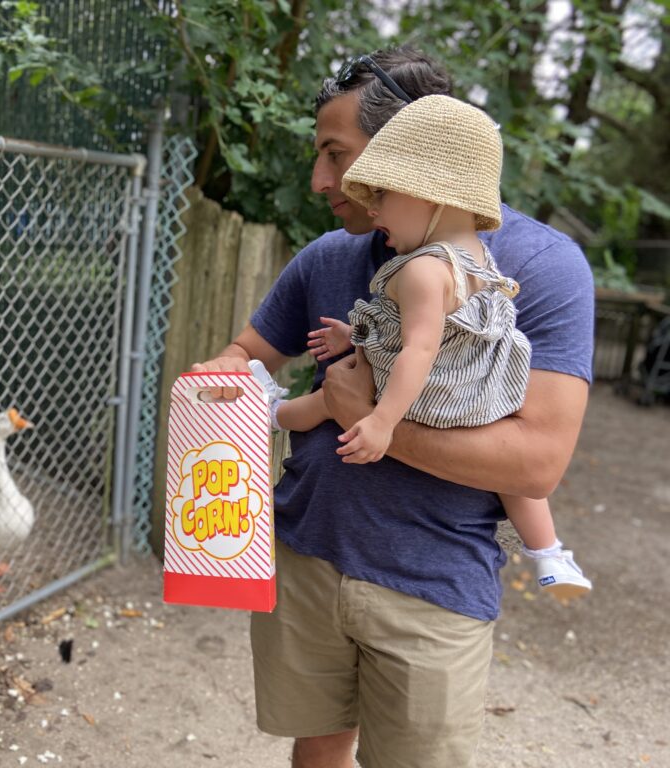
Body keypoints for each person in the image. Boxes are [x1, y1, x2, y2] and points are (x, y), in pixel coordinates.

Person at [191, 47, 594, 768]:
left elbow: (538, 463)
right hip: (306, 562)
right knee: (314, 748)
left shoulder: (544, 268)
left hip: (431, 590)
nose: (321, 181)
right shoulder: (326, 256)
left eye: (336, 155)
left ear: (417, 147)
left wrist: (362, 416)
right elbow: (246, 353)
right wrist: (220, 377)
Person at [249, 94, 591, 600]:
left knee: (327, 400)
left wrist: (378, 419)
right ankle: (548, 553)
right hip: (478, 397)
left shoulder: (422, 269)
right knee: (516, 489)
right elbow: (422, 330)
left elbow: (419, 347)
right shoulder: (479, 261)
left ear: (431, 196)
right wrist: (353, 334)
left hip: (425, 395)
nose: (371, 206)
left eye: (383, 193)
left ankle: (273, 410)